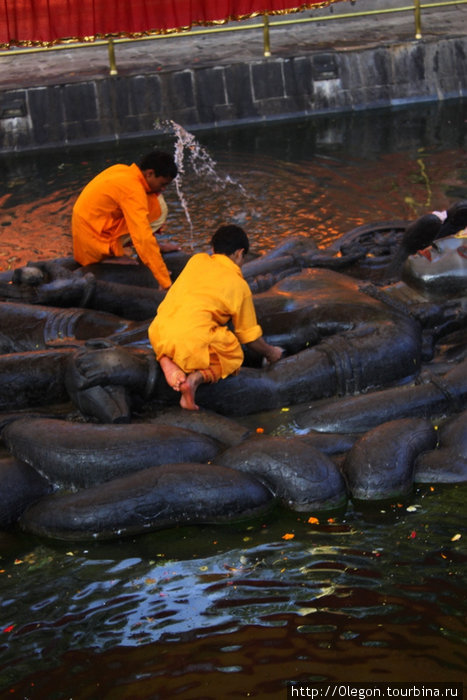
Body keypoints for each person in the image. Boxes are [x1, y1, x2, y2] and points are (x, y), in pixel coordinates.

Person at [148, 224, 284, 410]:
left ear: (213, 249)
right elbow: (249, 337)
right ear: (239, 253)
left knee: (183, 331)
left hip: (158, 331)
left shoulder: (196, 260)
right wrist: (271, 352)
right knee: (233, 351)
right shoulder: (239, 285)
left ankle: (165, 361)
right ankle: (196, 379)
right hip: (191, 341)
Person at [72, 150, 178, 290]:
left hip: (88, 232)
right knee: (155, 212)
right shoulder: (133, 190)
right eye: (163, 184)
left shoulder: (123, 170)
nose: (163, 189)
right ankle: (106, 257)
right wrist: (165, 280)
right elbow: (142, 235)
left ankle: (148, 248)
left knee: (156, 202)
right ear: (150, 173)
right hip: (92, 245)